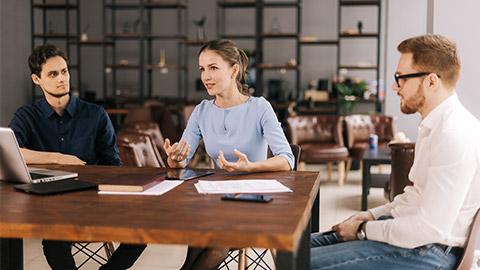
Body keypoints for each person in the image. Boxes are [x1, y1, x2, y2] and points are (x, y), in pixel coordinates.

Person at [310, 34, 480, 269]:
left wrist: (361, 230)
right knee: (297, 248)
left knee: (302, 262)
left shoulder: (454, 134)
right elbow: (414, 196)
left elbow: (430, 228)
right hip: (413, 238)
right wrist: (370, 216)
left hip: (431, 251)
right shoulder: (433, 126)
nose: (394, 86)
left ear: (431, 82)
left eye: (401, 78)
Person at [8, 43, 146, 270]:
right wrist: (57, 158)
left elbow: (112, 163)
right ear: (37, 80)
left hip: (93, 200)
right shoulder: (26, 116)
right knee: (54, 240)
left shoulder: (96, 115)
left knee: (142, 230)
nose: (62, 78)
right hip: (50, 205)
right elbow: (11, 152)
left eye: (64, 71)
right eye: (53, 74)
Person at [163, 39, 295, 269]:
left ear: (234, 70)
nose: (206, 76)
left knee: (217, 239)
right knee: (199, 231)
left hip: (254, 202)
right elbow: (181, 160)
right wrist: (174, 158)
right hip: (215, 199)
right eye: (202, 69)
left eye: (213, 68)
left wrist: (250, 167)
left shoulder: (259, 107)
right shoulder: (202, 111)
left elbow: (287, 160)